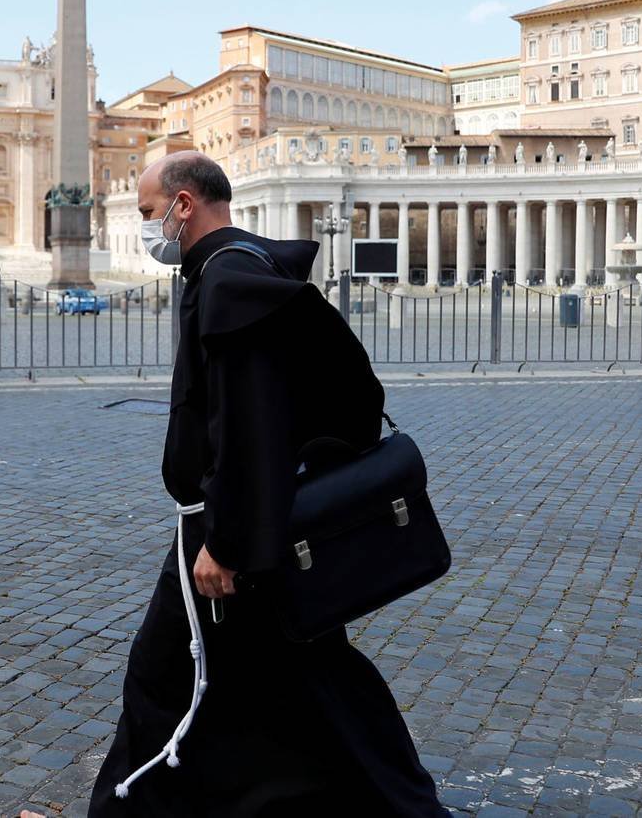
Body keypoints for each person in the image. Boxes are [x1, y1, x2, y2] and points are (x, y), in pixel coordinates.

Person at [73, 151, 448, 816]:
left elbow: (251, 424)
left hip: (231, 524)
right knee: (308, 669)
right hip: (253, 516)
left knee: (162, 676)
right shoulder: (244, 263)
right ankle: (389, 800)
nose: (145, 225)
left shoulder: (226, 282)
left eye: (147, 211)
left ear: (183, 205)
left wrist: (226, 542)